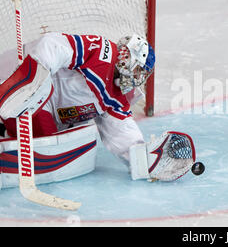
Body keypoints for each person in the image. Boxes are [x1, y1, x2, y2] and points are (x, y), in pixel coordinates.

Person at [0, 32, 196, 183]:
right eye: (138, 71)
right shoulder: (102, 52)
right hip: (13, 74)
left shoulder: (117, 98)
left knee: (51, 142)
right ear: (127, 57)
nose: (138, 79)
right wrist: (34, 76)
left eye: (142, 74)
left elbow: (124, 136)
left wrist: (146, 161)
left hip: (40, 111)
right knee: (39, 101)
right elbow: (53, 44)